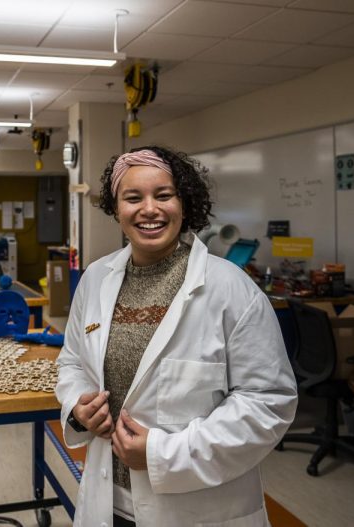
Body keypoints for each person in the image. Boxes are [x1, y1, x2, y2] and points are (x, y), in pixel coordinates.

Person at [55, 146, 297, 527]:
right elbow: (72, 360)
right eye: (132, 198)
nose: (148, 209)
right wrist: (76, 406)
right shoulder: (95, 279)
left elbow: (267, 403)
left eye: (163, 195)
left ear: (184, 204)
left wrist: (161, 454)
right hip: (108, 500)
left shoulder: (231, 289)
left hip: (194, 508)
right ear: (116, 209)